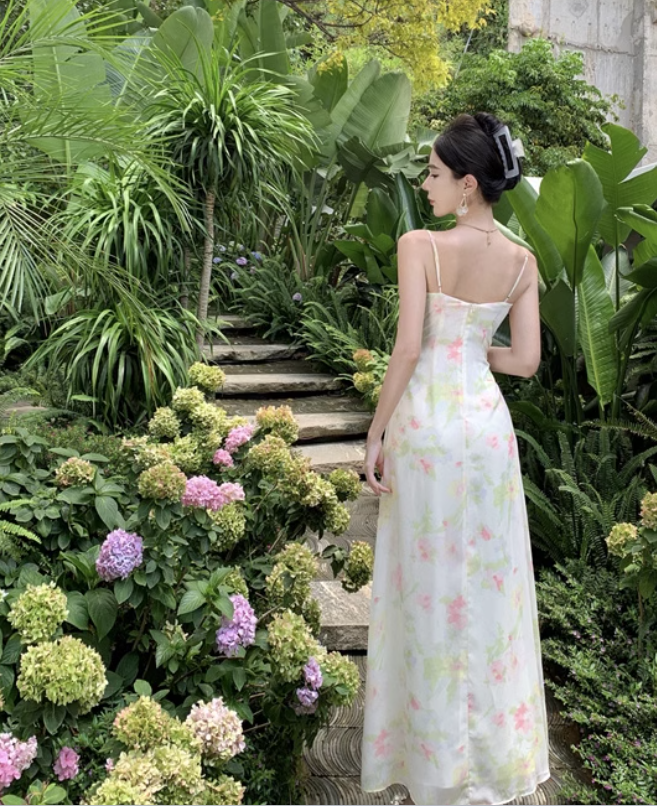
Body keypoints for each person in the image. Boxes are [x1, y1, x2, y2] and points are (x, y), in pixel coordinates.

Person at [359, 112, 550, 806]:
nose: (425, 183)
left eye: (434, 173)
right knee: (491, 587)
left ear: (468, 184)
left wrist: (375, 433)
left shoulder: (419, 246)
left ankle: (426, 760)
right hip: (486, 433)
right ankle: (490, 762)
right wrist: (471, 348)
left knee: (424, 586)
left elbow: (408, 348)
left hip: (428, 429)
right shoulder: (522, 262)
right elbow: (524, 362)